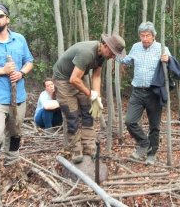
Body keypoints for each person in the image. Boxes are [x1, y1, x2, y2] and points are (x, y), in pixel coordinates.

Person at [53, 33, 126, 164]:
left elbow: (96, 76)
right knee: (72, 115)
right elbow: (73, 79)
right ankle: (75, 149)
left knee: (89, 111)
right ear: (105, 46)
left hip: (79, 77)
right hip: (64, 80)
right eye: (113, 53)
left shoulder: (102, 55)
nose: (113, 57)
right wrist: (89, 93)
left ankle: (89, 146)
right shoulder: (87, 53)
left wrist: (96, 97)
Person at [0, 2, 33, 190]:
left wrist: (21, 72)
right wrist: (2, 70)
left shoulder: (19, 39)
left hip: (18, 98)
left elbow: (29, 61)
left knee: (15, 133)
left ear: (7, 19)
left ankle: (11, 166)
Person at [117, 21, 173, 165]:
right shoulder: (136, 47)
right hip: (137, 91)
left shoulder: (162, 48)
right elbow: (127, 60)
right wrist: (114, 54)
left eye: (148, 35)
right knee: (129, 121)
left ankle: (151, 154)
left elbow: (172, 65)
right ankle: (144, 143)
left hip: (154, 92)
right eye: (142, 35)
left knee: (154, 125)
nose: (145, 38)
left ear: (153, 36)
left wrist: (168, 59)